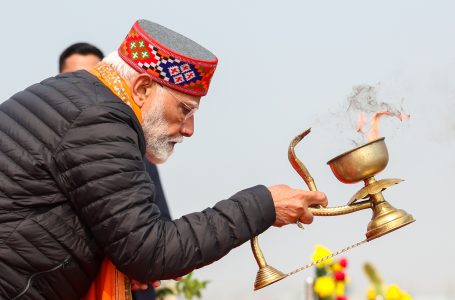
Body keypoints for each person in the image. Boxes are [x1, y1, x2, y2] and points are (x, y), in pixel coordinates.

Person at [0, 19, 327, 300]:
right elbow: (152, 252)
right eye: (184, 109)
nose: (189, 129)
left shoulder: (77, 98)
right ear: (142, 88)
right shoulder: (99, 119)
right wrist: (265, 204)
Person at [59, 42, 172, 300]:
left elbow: (159, 222)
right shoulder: (42, 150)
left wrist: (139, 268)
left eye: (91, 78)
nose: (83, 89)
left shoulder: (137, 152)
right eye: (74, 79)